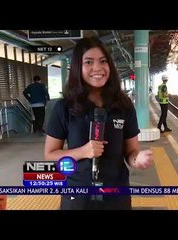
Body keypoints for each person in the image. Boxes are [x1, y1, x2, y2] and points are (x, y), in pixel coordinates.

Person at [44, 36, 154, 210]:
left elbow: (131, 151)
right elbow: (50, 154)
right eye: (88, 62)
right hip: (77, 194)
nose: (97, 68)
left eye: (103, 61)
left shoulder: (123, 106)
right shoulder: (64, 107)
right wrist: (83, 151)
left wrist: (136, 159)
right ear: (77, 68)